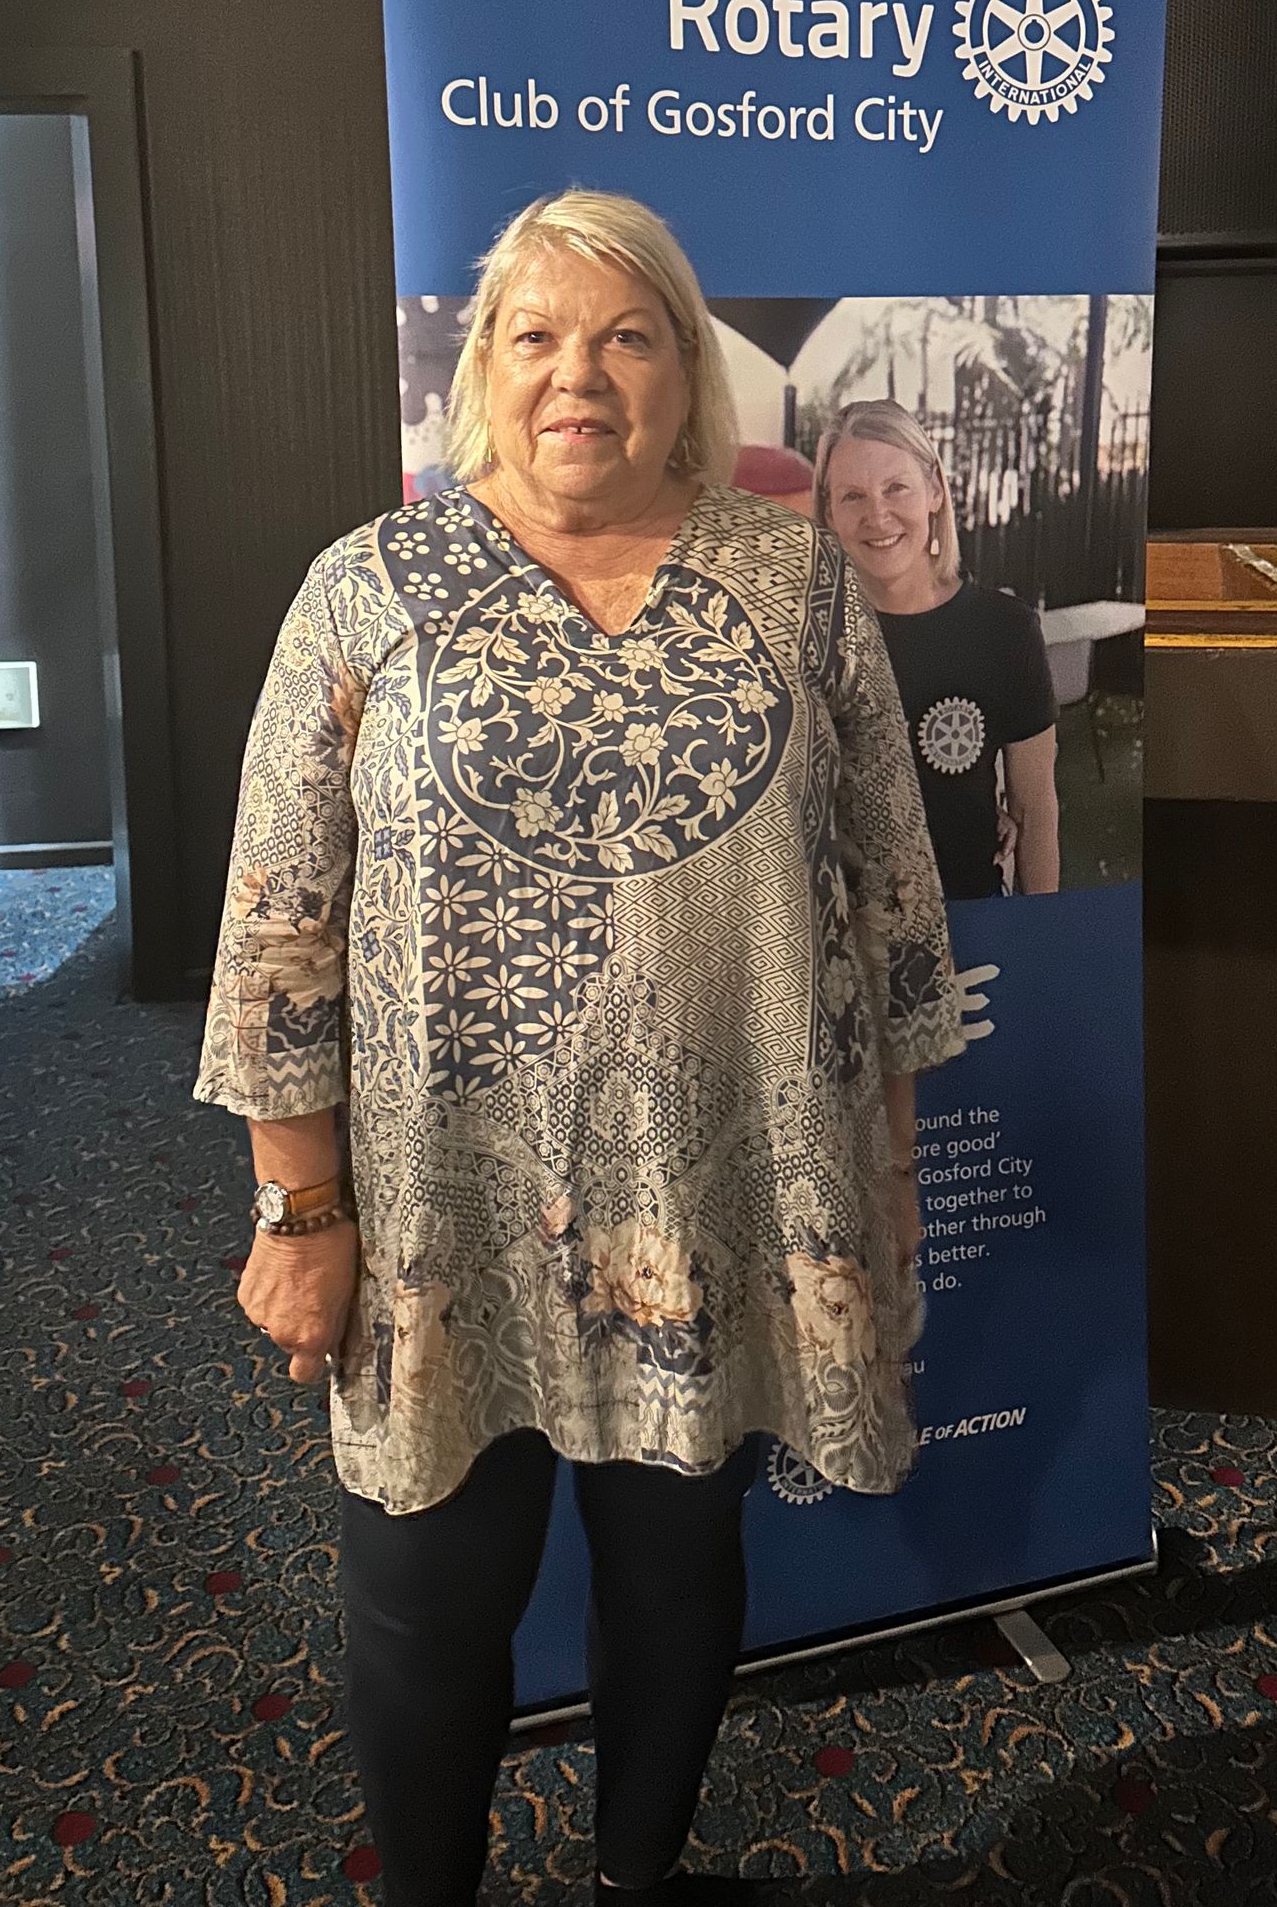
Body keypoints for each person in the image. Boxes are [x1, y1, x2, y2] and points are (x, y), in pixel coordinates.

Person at [194, 191, 963, 1907]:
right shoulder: (365, 596)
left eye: (626, 338)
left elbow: (894, 898)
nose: (580, 378)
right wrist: (298, 1213)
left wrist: (893, 1169)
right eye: (535, 337)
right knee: (423, 1595)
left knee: (678, 1569)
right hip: (436, 1220)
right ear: (484, 370)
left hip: (723, 1202)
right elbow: (275, 924)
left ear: (688, 375)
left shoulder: (799, 585)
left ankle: (637, 1879)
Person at [813, 399, 1059, 899]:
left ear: (935, 491)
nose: (877, 516)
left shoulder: (1004, 631)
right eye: (853, 496)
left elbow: (1034, 811)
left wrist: (1041, 942)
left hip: (971, 932)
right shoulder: (807, 637)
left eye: (895, 488)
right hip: (843, 940)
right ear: (830, 514)